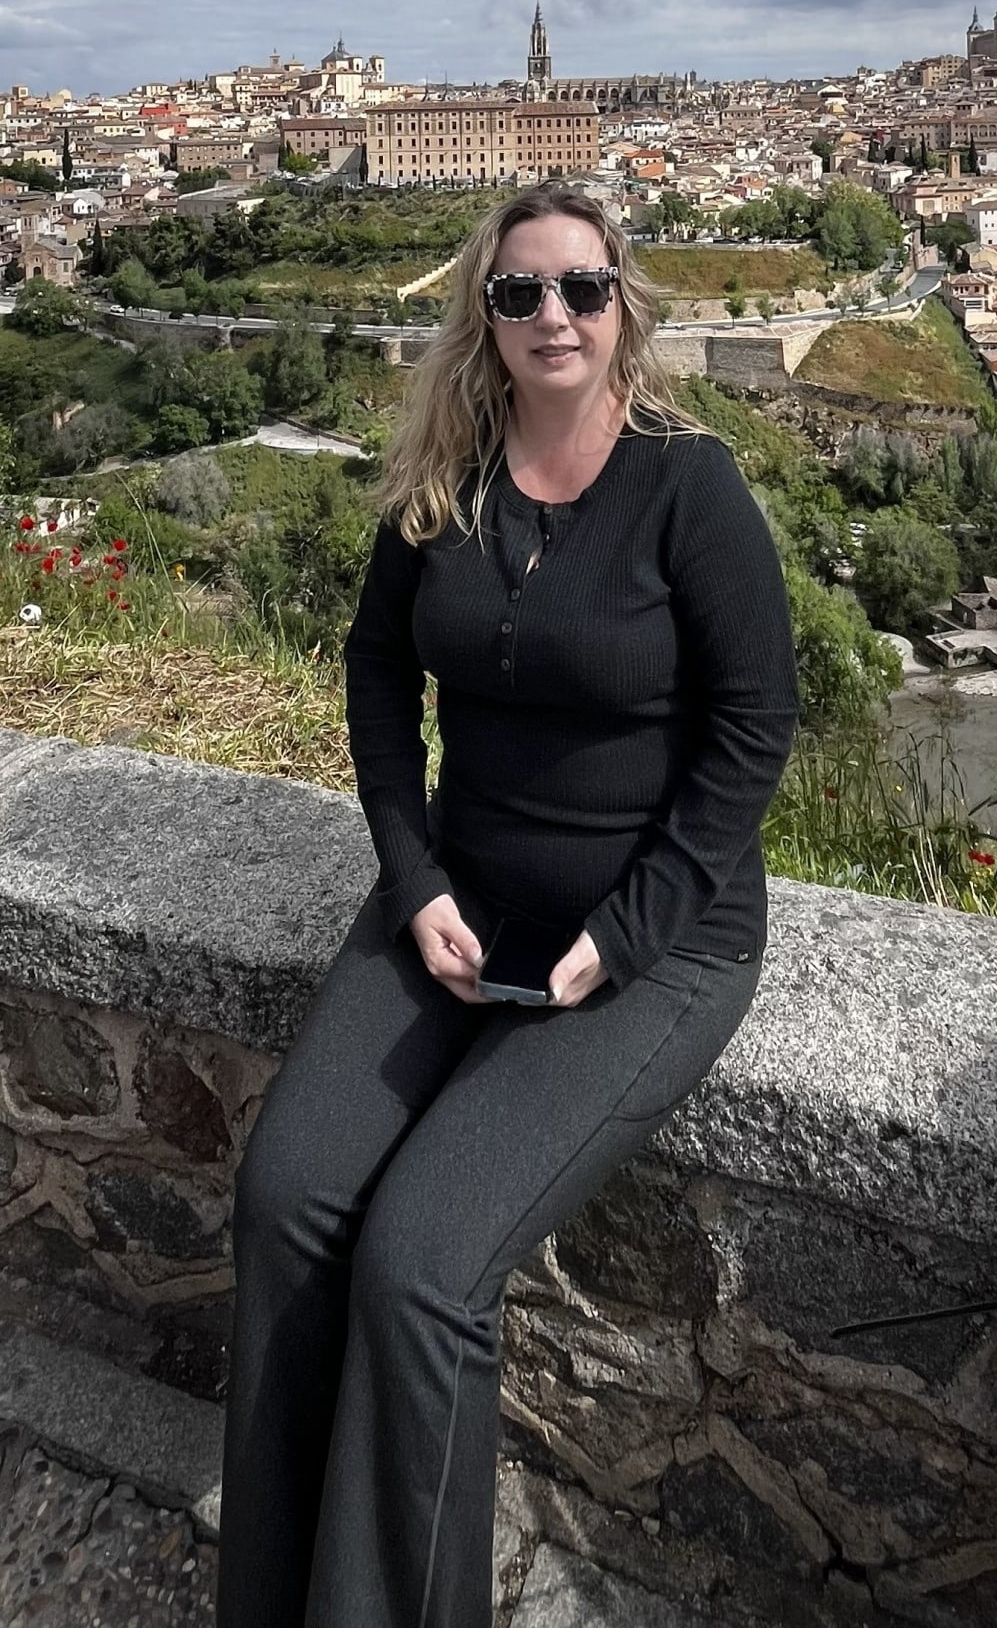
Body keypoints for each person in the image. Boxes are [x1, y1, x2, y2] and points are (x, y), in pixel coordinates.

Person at [215, 180, 800, 1628]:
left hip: (652, 942)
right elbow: (370, 676)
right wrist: (411, 882)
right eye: (520, 292)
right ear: (482, 316)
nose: (554, 316)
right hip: (455, 903)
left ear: (623, 309)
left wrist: (633, 924)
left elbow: (752, 726)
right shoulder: (445, 480)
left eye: (581, 290)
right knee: (287, 1201)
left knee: (419, 1267)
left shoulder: (689, 483)